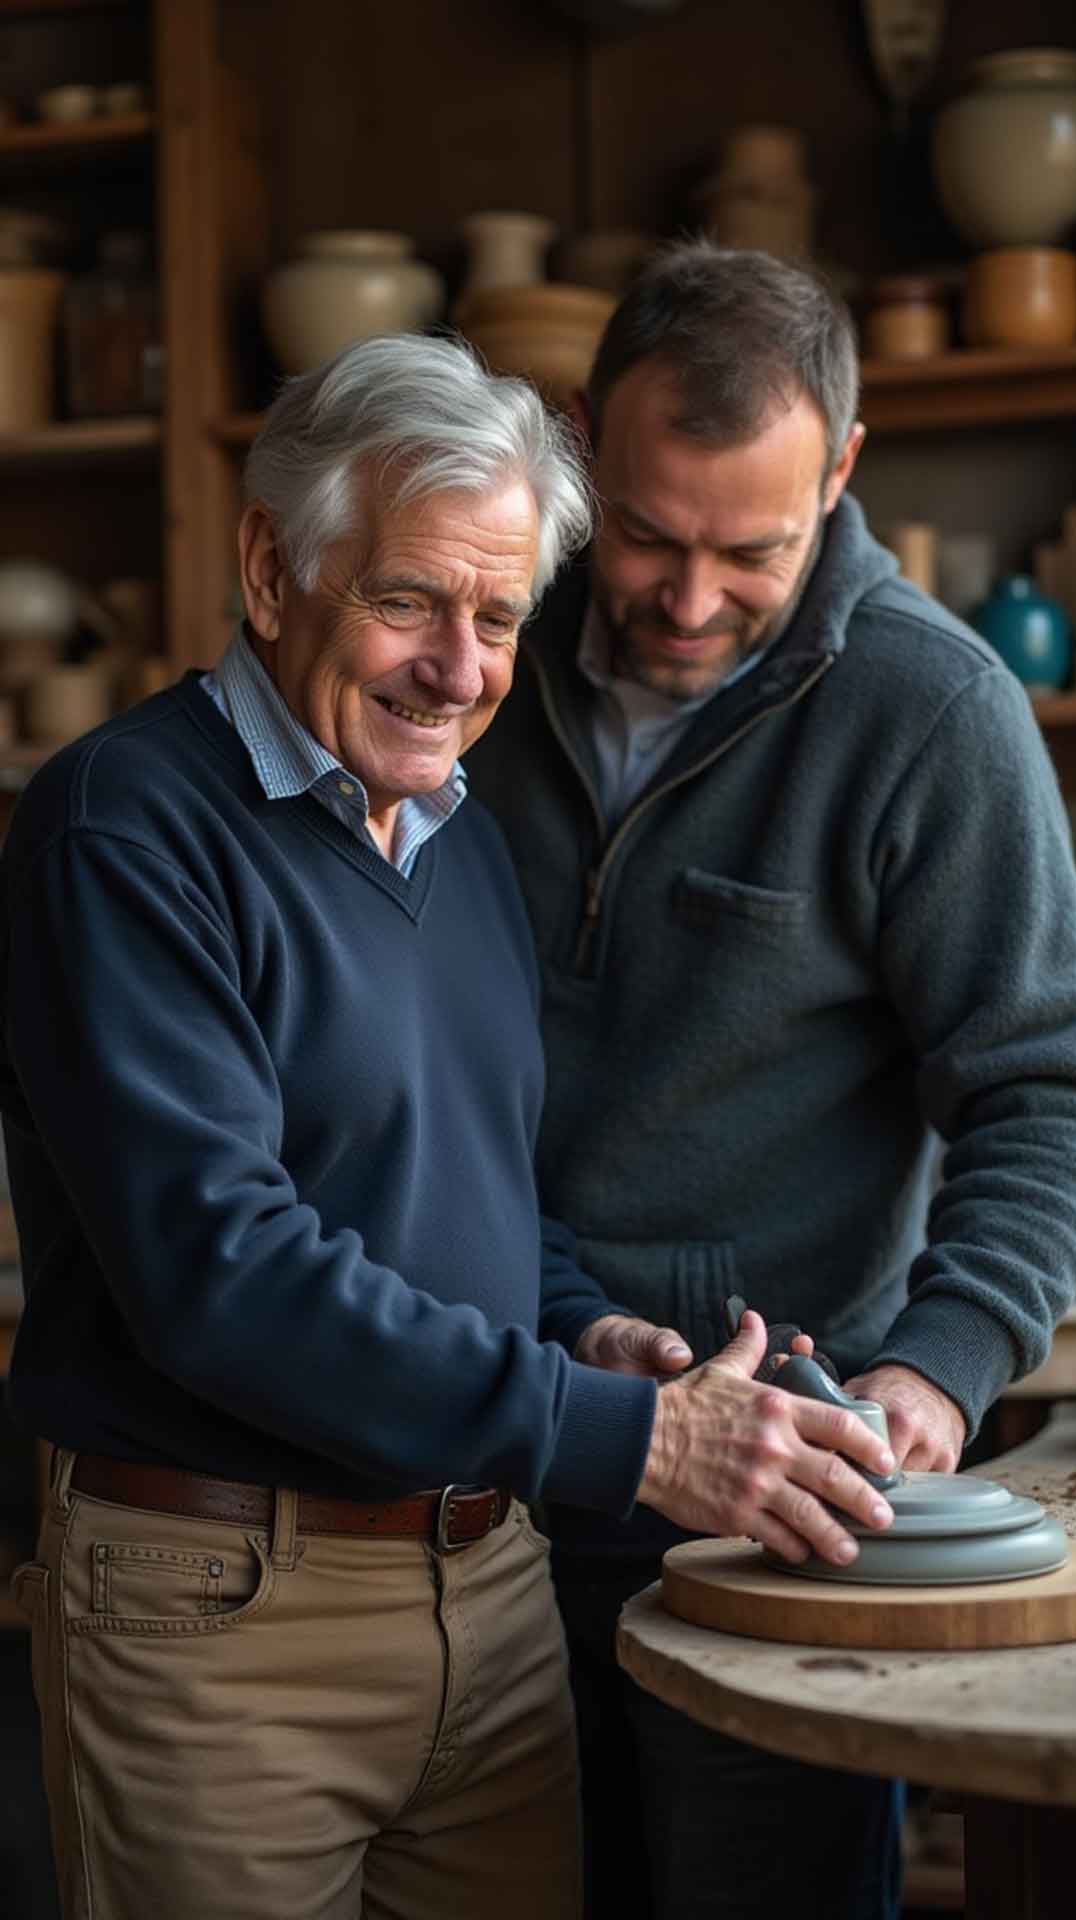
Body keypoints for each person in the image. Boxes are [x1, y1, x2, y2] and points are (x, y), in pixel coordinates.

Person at [0, 332, 897, 1920]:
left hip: (492, 1601)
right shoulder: (121, 827)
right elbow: (225, 1272)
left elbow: (477, 1198)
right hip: (223, 1615)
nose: (461, 669)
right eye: (410, 601)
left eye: (498, 618)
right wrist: (639, 1441)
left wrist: (583, 1332)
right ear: (273, 571)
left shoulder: (460, 845)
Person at [467, 242, 1076, 1920]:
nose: (683, 599)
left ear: (846, 473)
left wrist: (937, 1377)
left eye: (754, 550)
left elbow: (1048, 1096)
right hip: (469, 1446)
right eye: (651, 536)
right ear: (580, 440)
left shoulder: (931, 710)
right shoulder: (470, 661)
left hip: (772, 1499)